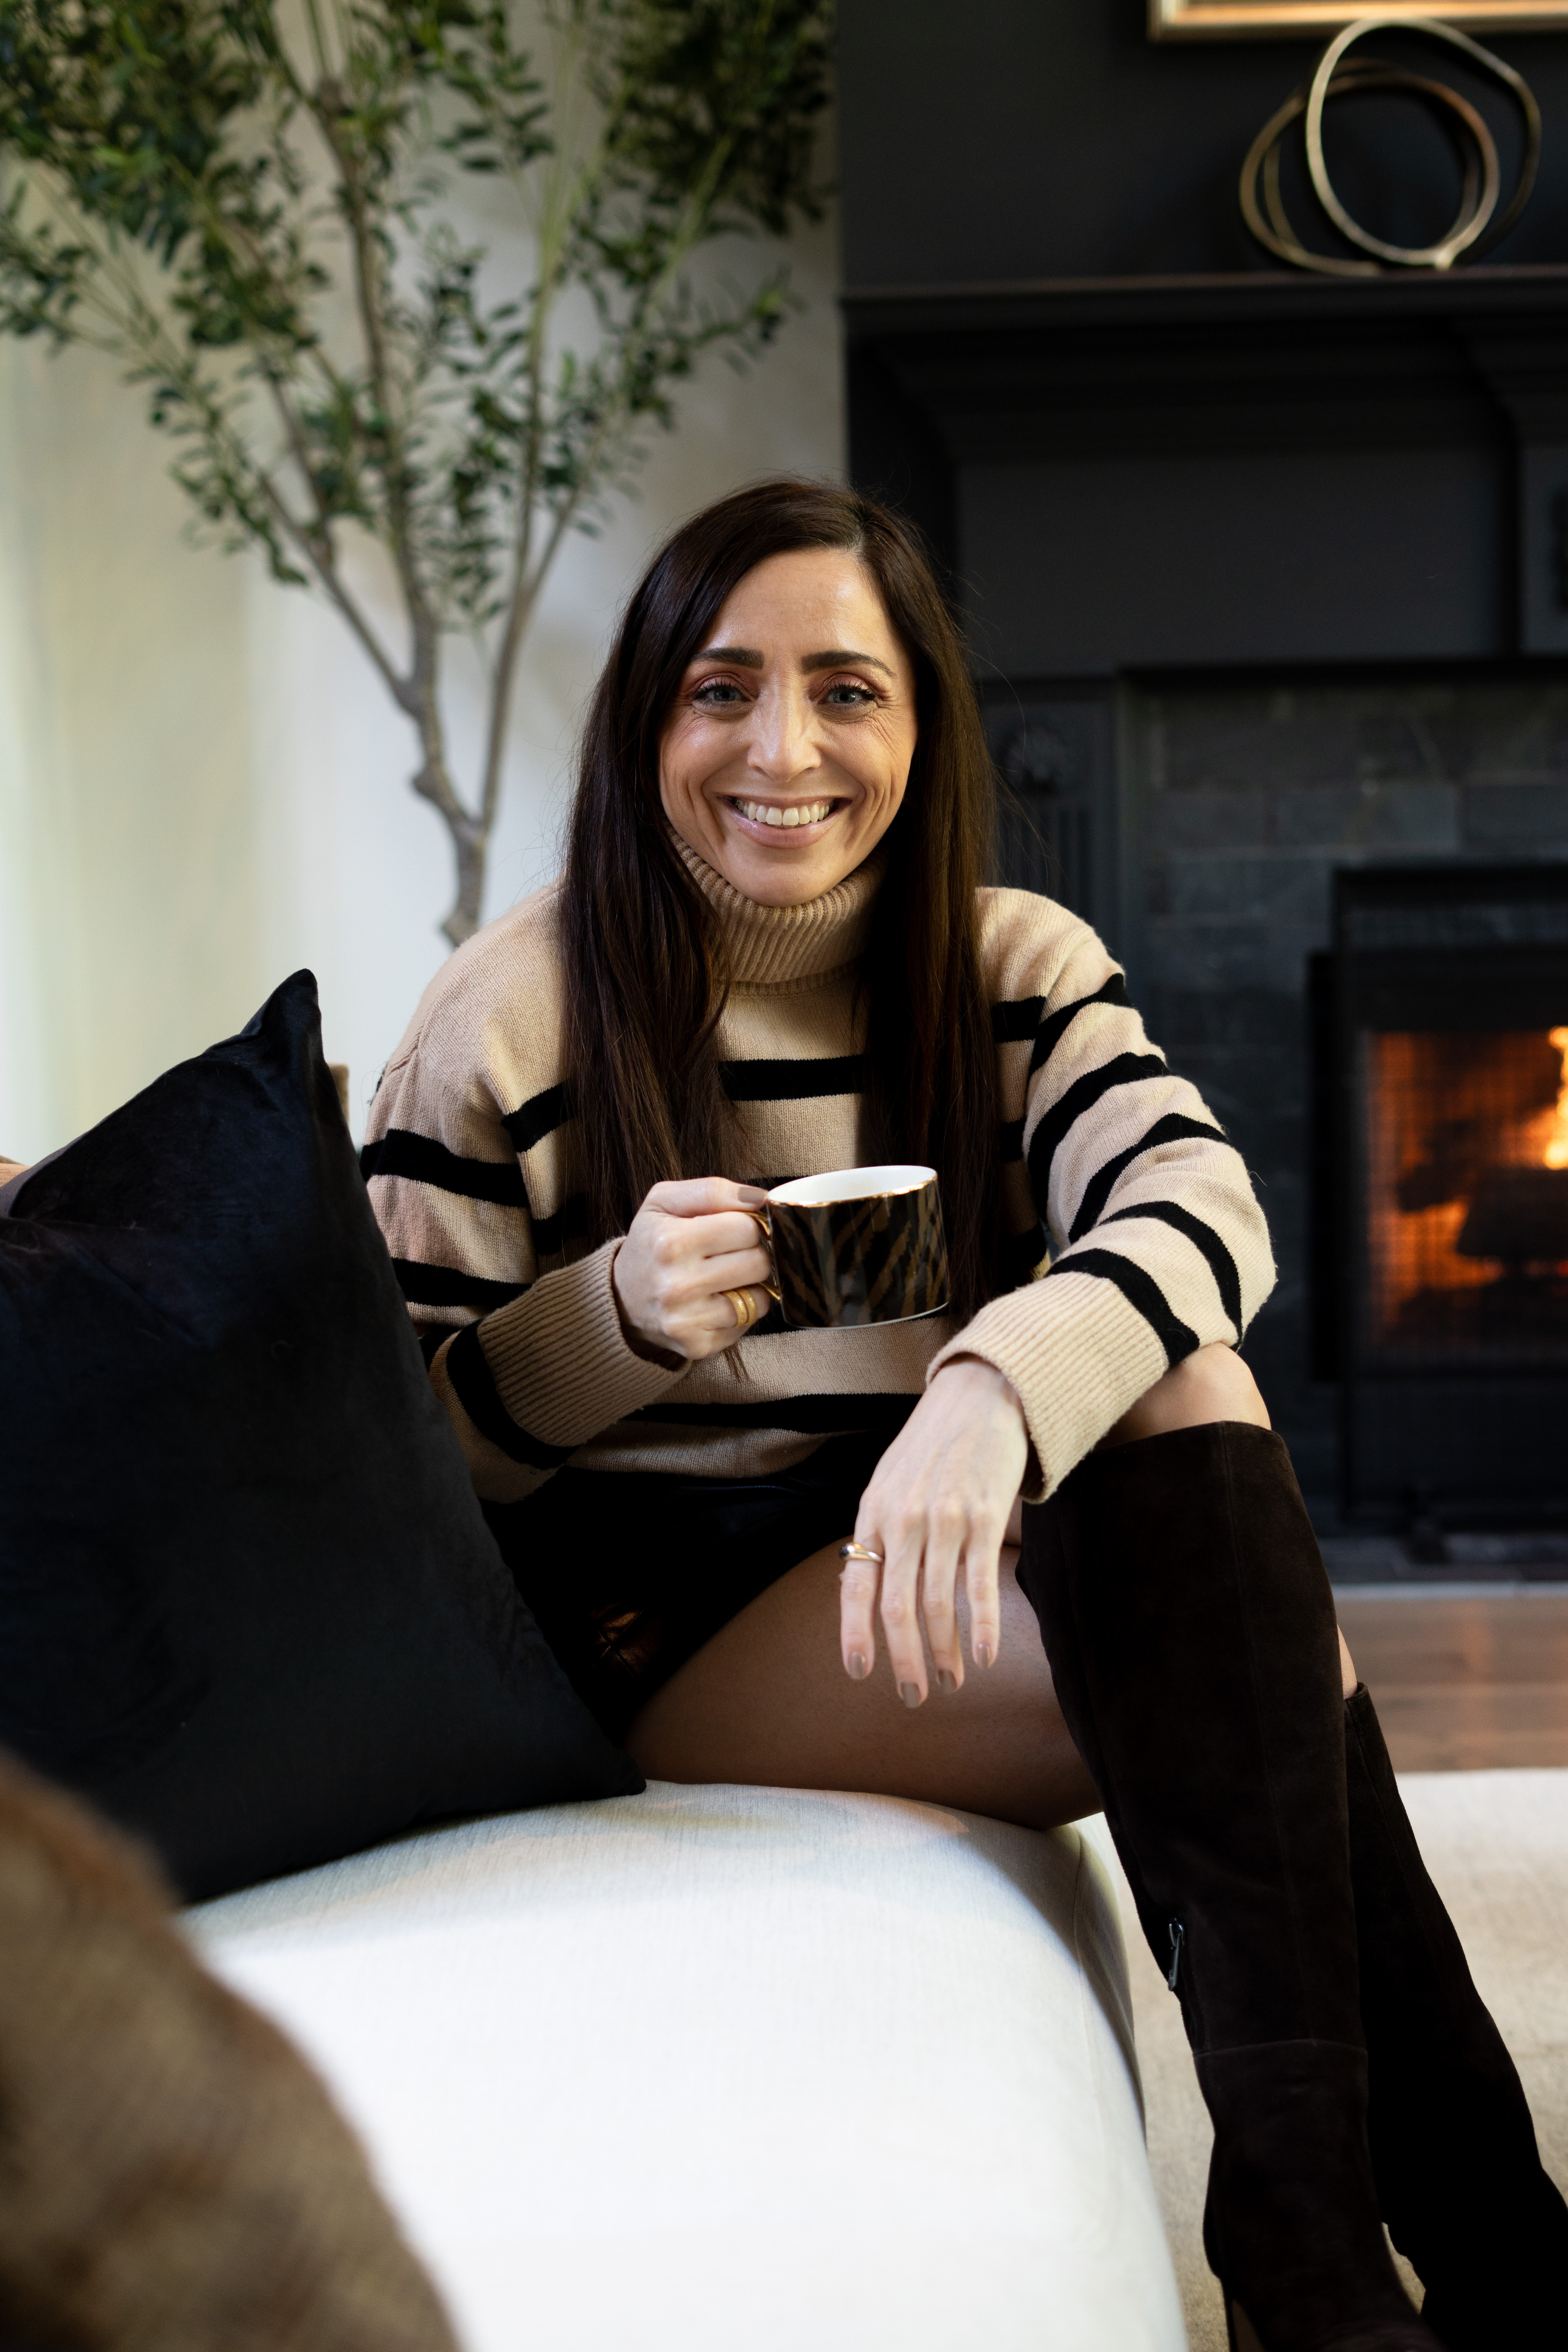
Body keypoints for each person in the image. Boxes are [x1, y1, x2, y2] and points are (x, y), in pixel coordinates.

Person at [365, 479, 1564, 2352]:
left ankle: (1343, 2255)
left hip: (930, 1535)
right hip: (653, 1610)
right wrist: (601, 1321)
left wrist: (994, 1387)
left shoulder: (1011, 966)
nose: (785, 747)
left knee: (1184, 1379)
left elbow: (1204, 1208)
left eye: (848, 689)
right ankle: (1431, 2252)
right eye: (721, 689)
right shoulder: (508, 1019)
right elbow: (394, 1475)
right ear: (646, 728)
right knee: (1264, 1667)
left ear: (920, 731)